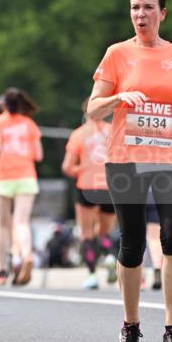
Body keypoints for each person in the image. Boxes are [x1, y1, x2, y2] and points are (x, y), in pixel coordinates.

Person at [86, 0, 172, 342]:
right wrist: (118, 97)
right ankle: (131, 325)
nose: (140, 14)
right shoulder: (117, 54)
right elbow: (93, 109)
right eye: (135, 8)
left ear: (162, 14)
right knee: (133, 242)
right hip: (126, 158)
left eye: (148, 8)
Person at [61, 99, 116, 290]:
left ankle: (92, 274)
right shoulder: (114, 131)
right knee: (104, 231)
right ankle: (109, 256)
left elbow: (67, 167)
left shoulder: (79, 134)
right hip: (110, 186)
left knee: (86, 234)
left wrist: (82, 168)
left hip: (87, 186)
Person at [0, 88, 43, 286]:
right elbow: (38, 155)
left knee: (1, 225)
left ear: (4, 104)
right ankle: (26, 254)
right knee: (21, 222)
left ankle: (1, 270)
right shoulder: (29, 124)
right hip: (26, 176)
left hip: (3, 176)